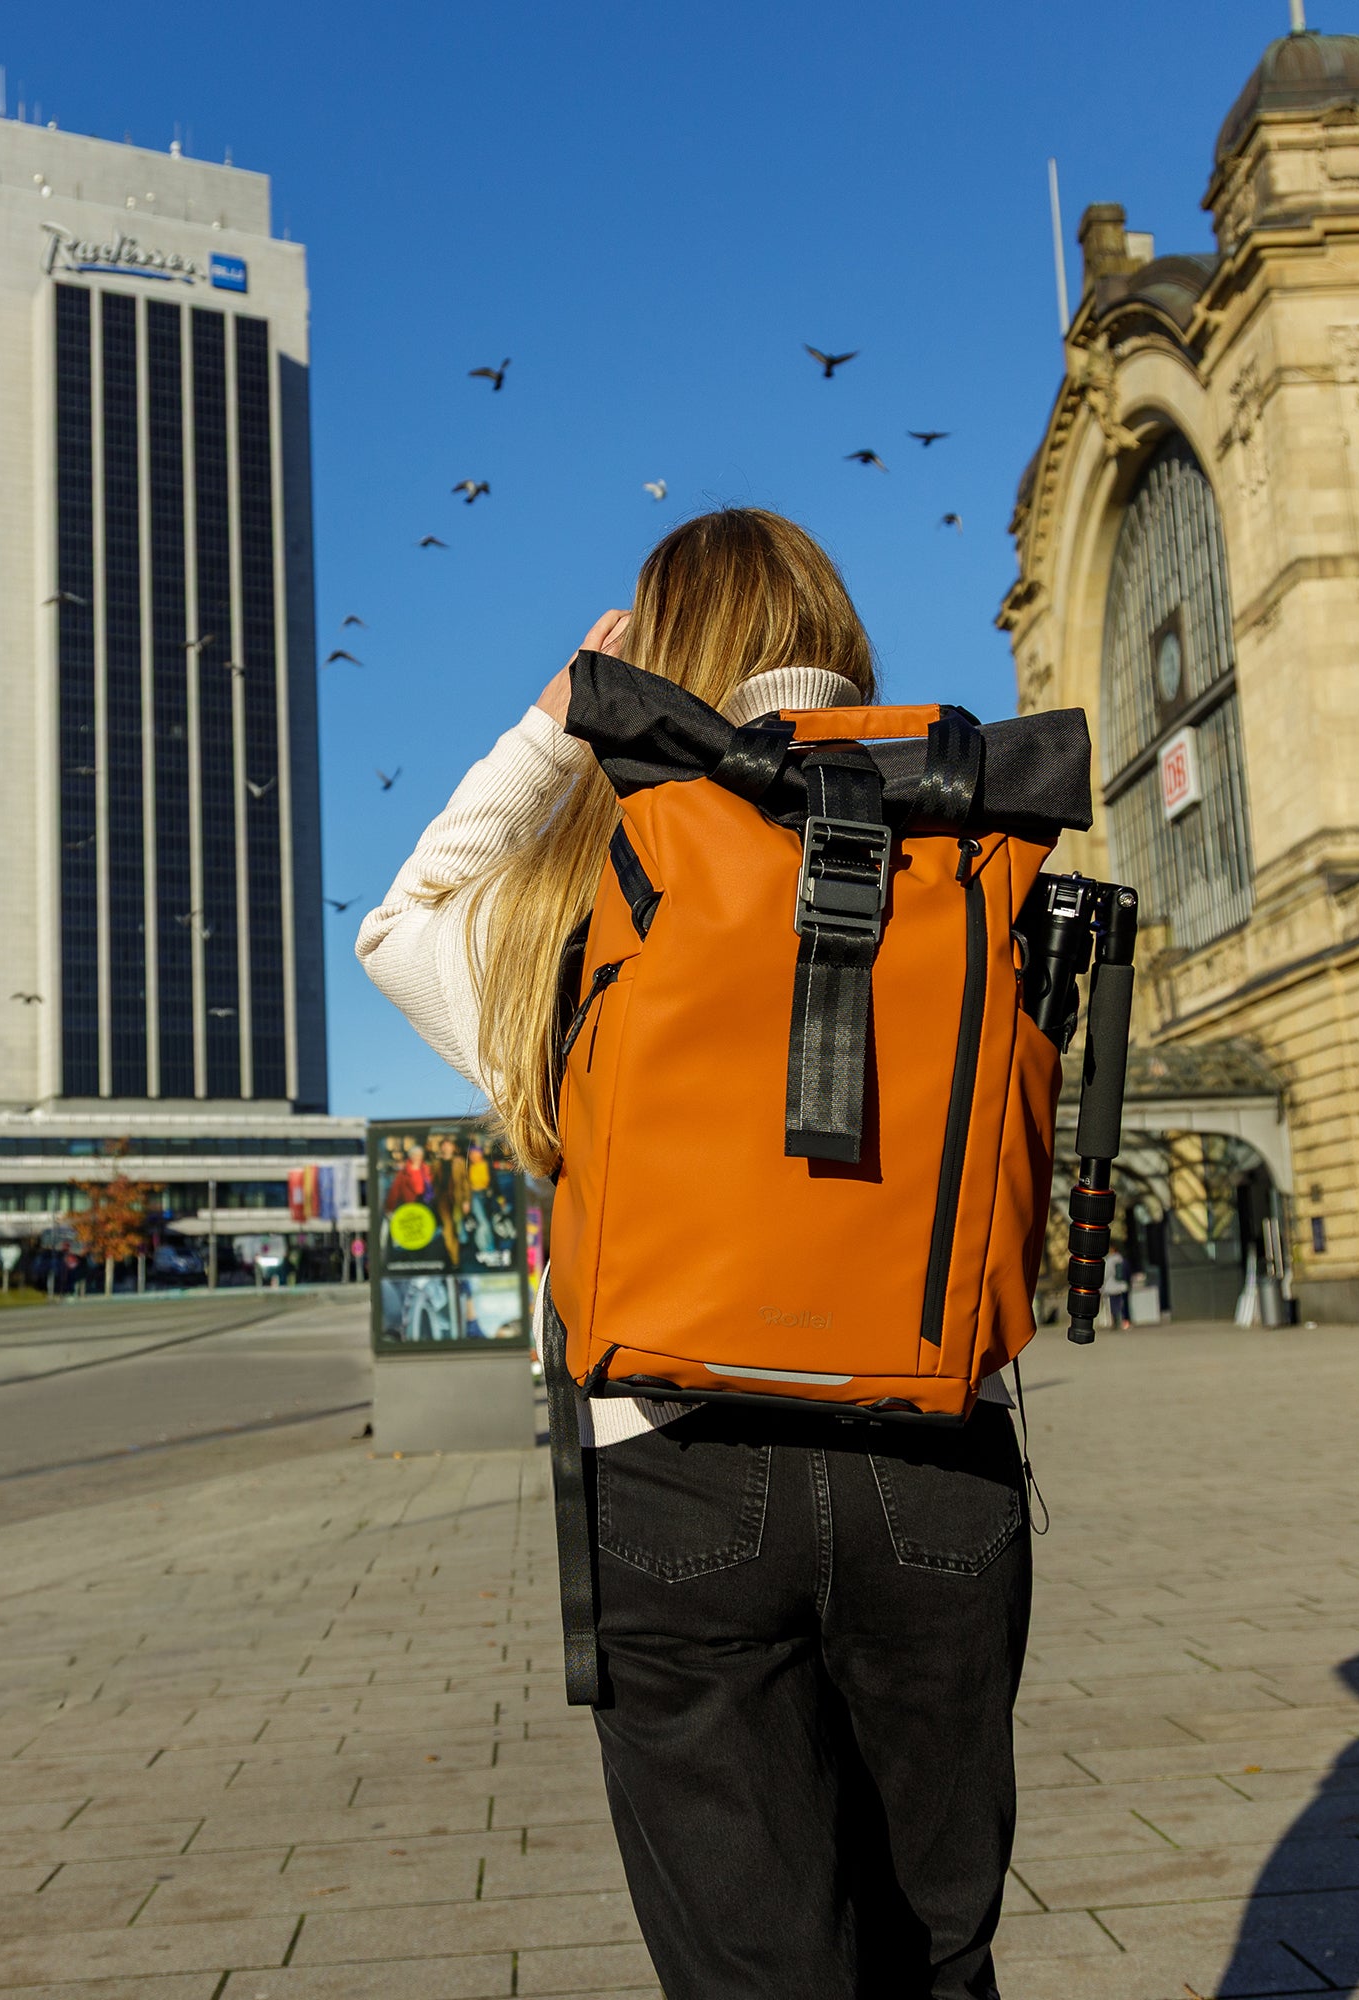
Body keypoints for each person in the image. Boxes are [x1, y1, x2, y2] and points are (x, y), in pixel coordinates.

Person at [359, 509, 1030, 2000]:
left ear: (652, 662)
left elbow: (399, 926)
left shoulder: (556, 912)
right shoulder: (971, 854)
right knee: (942, 1957)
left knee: (758, 1975)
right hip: (940, 1458)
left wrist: (558, 725)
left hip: (679, 1466)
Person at [1103, 1246, 1130, 1329]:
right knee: (1122, 1303)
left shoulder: (1109, 1261)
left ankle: (1116, 1322)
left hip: (1112, 1286)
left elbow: (1106, 1273)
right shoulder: (1122, 1259)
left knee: (1113, 1304)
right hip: (1122, 1285)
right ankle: (1124, 1321)